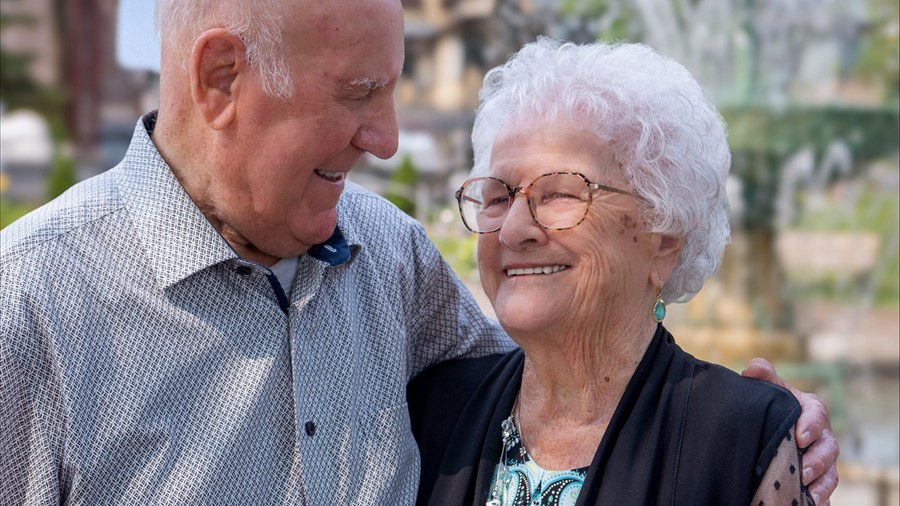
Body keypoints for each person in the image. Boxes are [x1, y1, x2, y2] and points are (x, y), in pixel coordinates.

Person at [0, 1, 836, 504]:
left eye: (393, 91)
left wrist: (759, 426)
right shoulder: (29, 308)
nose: (390, 141)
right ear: (221, 78)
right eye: (358, 94)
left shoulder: (389, 259)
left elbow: (570, 381)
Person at [407, 38, 839, 505]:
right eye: (497, 197)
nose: (513, 230)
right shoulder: (433, 408)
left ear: (665, 236)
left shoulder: (746, 441)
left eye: (558, 194)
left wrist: (769, 424)